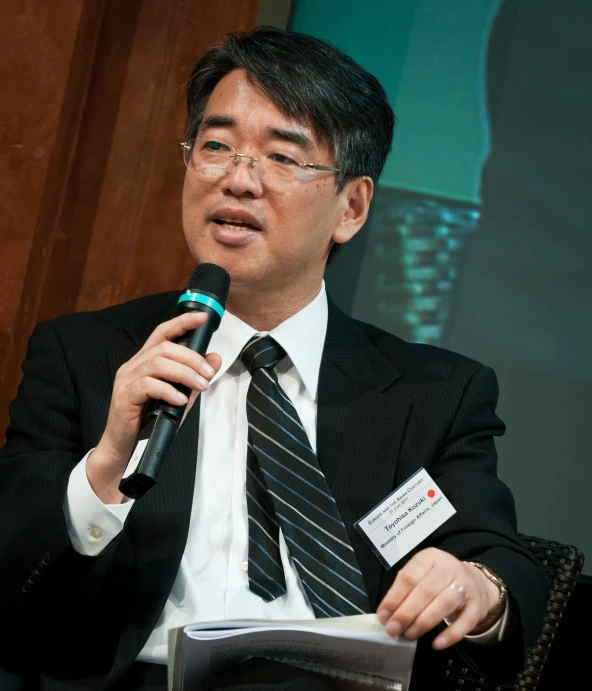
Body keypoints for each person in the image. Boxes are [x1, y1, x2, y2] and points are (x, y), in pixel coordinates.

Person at [0, 27, 548, 691]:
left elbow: (505, 568)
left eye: (282, 157)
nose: (237, 178)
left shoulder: (433, 392)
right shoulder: (85, 357)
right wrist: (105, 469)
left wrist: (474, 585)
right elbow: (15, 594)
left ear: (351, 207)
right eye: (216, 146)